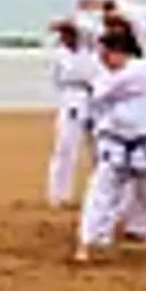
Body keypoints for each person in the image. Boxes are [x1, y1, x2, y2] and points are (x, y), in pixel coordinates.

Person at [74, 28, 146, 263]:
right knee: (100, 194)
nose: (102, 59)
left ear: (120, 52)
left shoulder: (144, 69)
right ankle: (87, 242)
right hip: (115, 144)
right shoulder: (108, 77)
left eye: (106, 53)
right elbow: (99, 96)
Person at [45, 19, 96, 208]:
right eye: (63, 35)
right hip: (71, 97)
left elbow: (88, 28)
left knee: (98, 146)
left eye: (69, 33)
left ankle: (99, 192)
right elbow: (56, 80)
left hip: (95, 96)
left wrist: (65, 23)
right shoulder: (60, 55)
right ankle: (58, 194)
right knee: (65, 146)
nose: (66, 38)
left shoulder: (90, 48)